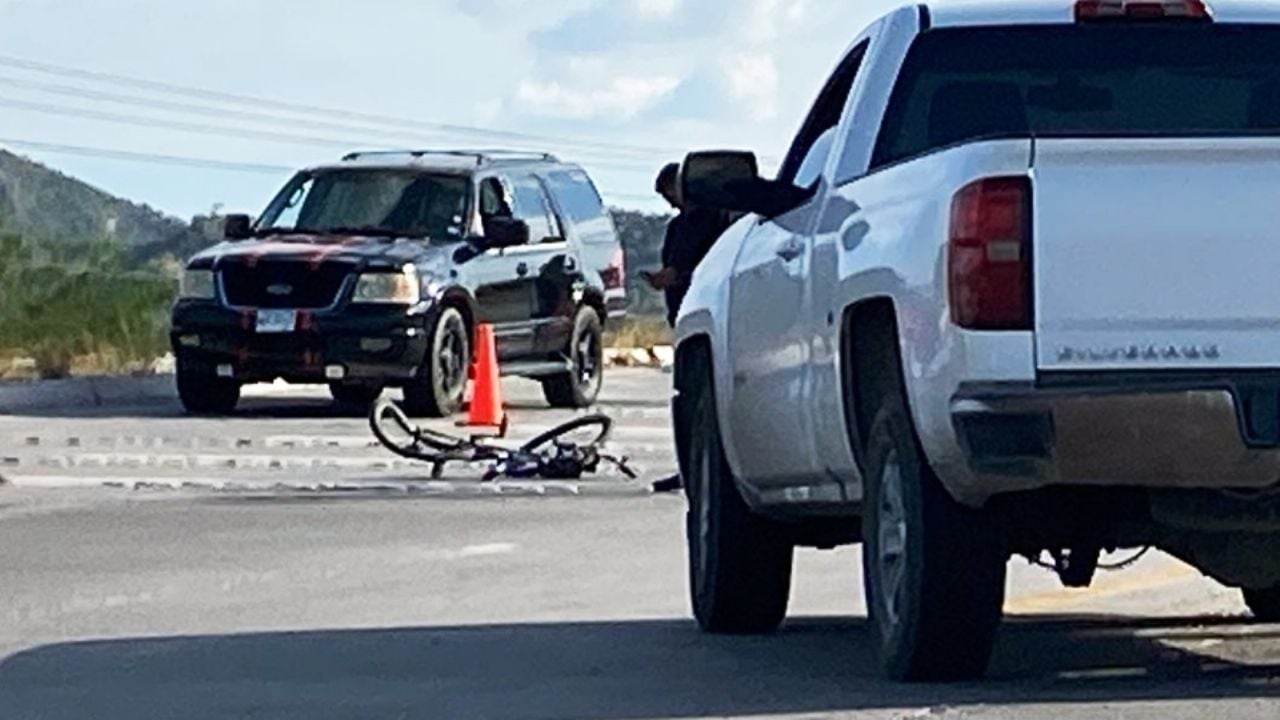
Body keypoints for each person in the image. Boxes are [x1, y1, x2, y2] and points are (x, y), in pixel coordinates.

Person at [646, 162, 734, 493]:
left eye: (670, 192)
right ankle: (691, 466)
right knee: (689, 399)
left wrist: (678, 275)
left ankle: (706, 468)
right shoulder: (677, 226)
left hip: (708, 316)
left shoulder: (717, 220)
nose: (670, 202)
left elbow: (703, 263)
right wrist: (665, 278)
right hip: (682, 317)